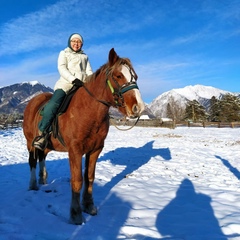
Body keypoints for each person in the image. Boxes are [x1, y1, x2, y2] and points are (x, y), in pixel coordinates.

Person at [33, 33, 93, 150]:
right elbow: (62, 68)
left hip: (82, 86)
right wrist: (73, 79)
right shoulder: (64, 53)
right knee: (53, 105)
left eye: (79, 42)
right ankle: (42, 133)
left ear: (82, 44)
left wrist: (90, 82)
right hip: (66, 84)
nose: (76, 44)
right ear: (70, 42)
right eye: (74, 41)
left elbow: (89, 71)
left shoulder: (85, 57)